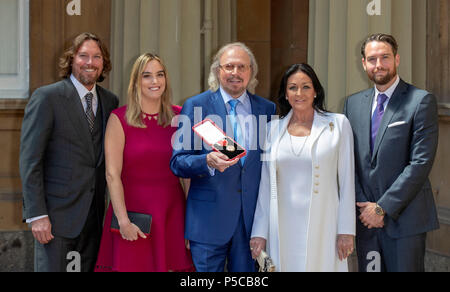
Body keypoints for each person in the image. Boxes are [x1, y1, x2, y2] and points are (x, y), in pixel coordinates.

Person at [170, 42, 276, 272]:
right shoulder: (196, 106)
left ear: (251, 72)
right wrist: (206, 161)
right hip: (208, 221)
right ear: (217, 71)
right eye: (229, 66)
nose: (235, 73)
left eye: (242, 67)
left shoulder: (267, 110)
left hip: (250, 224)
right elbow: (178, 163)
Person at [19, 32, 119, 272]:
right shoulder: (47, 97)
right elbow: (31, 160)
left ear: (103, 62)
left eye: (96, 57)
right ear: (71, 59)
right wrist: (37, 215)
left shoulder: (110, 102)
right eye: (83, 55)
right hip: (55, 221)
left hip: (94, 219)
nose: (90, 62)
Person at [343, 33, 440, 272]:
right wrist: (366, 209)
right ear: (363, 63)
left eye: (385, 57)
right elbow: (348, 160)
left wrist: (382, 207)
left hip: (405, 221)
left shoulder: (421, 101)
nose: (379, 65)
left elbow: (420, 163)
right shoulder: (353, 104)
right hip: (367, 221)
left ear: (396, 59)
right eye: (372, 59)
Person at [250, 63, 356, 272]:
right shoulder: (272, 129)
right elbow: (265, 185)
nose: (300, 93)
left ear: (316, 91)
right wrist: (259, 232)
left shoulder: (338, 125)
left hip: (325, 221)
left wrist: (346, 230)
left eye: (306, 87)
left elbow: (347, 182)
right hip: (282, 223)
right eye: (293, 87)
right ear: (285, 94)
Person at [94, 53, 194, 272]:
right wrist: (122, 221)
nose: (155, 81)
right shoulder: (119, 119)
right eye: (147, 76)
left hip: (172, 213)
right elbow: (112, 174)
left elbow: (187, 175)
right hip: (132, 214)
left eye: (160, 75)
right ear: (136, 82)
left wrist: (192, 224)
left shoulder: (180, 117)